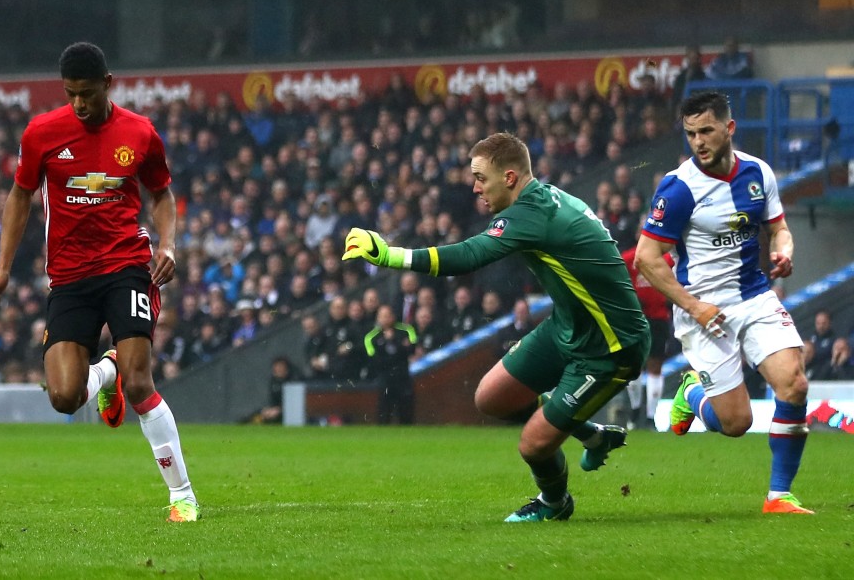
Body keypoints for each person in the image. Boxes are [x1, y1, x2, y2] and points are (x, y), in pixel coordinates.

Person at [343, 132, 650, 522]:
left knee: (534, 445)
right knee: (491, 398)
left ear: (508, 178)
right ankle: (592, 435)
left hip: (610, 347)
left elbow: (470, 255)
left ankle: (554, 504)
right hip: (567, 327)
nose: (474, 188)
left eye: (480, 178)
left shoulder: (531, 215)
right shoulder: (542, 198)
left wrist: (390, 255)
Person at [0, 42, 199, 522]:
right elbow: (19, 198)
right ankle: (107, 370)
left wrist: (168, 246)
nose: (79, 103)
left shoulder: (140, 133)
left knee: (142, 383)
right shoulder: (42, 133)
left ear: (108, 84)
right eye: (70, 93)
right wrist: (3, 267)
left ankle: (182, 495)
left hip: (126, 265)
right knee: (63, 397)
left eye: (86, 93)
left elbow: (162, 195)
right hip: (69, 276)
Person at [635, 91, 811, 514]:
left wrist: (783, 250)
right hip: (703, 311)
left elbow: (780, 227)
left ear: (729, 128)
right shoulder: (678, 189)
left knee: (794, 383)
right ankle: (693, 394)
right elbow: (646, 258)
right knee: (736, 424)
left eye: (706, 131)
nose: (698, 141)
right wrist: (693, 307)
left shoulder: (758, 172)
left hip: (753, 296)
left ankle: (778, 496)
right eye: (691, 133)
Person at [620, 231, 673, 430]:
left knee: (653, 367)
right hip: (636, 316)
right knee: (635, 366)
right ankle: (636, 412)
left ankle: (649, 416)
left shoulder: (667, 259)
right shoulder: (629, 257)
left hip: (658, 318)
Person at [363, 305, 417, 425]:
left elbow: (412, 349)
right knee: (384, 413)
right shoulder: (371, 337)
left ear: (393, 317)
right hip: (385, 378)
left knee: (406, 413)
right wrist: (396, 346)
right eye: (382, 316)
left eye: (387, 316)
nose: (385, 319)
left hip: (403, 377)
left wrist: (394, 343)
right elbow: (374, 359)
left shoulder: (406, 330)